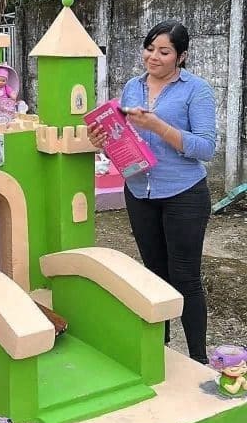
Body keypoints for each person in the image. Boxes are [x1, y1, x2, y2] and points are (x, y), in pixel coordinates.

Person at [86, 20, 216, 364]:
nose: (153, 57)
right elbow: (123, 139)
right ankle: (161, 354)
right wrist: (102, 141)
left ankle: (198, 360)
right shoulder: (132, 87)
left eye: (164, 51)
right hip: (140, 191)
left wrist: (158, 125)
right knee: (154, 275)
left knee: (185, 276)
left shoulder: (196, 90)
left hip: (184, 194)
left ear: (181, 56)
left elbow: (205, 148)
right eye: (149, 48)